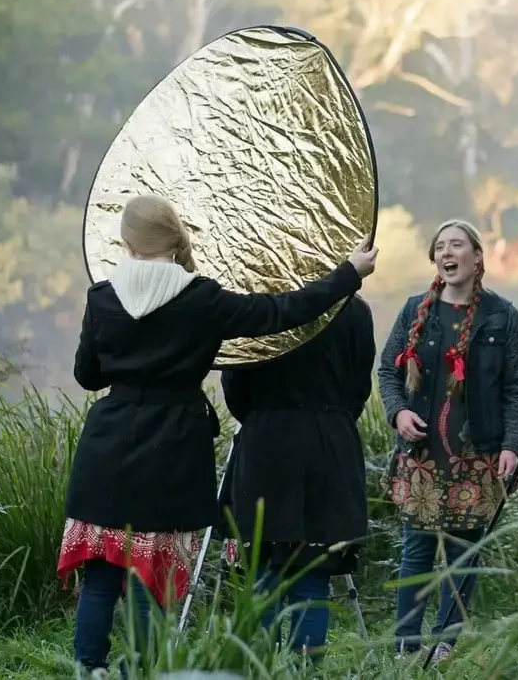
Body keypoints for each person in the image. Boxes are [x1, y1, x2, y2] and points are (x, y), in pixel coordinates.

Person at [56, 193, 379, 676]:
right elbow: (283, 312)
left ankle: (89, 668)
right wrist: (348, 274)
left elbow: (88, 375)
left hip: (108, 442)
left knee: (103, 571)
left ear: (127, 241)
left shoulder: (102, 296)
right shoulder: (202, 299)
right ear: (175, 237)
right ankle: (142, 670)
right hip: (172, 444)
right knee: (149, 572)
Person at [377, 218, 518, 665]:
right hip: (422, 454)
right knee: (417, 549)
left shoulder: (503, 316)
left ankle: (445, 646)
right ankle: (407, 648)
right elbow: (388, 370)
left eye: (457, 245)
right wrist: (398, 412)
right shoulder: (415, 310)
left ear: (477, 257)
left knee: (463, 555)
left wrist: (511, 445)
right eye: (441, 246)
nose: (447, 252)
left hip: (476, 454)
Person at [216, 292, 376, 659]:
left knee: (263, 573)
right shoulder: (354, 309)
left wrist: (264, 415)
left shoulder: (259, 305)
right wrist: (330, 416)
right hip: (330, 444)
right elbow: (359, 387)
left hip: (266, 444)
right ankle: (307, 671)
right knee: (313, 576)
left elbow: (235, 385)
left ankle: (260, 666)